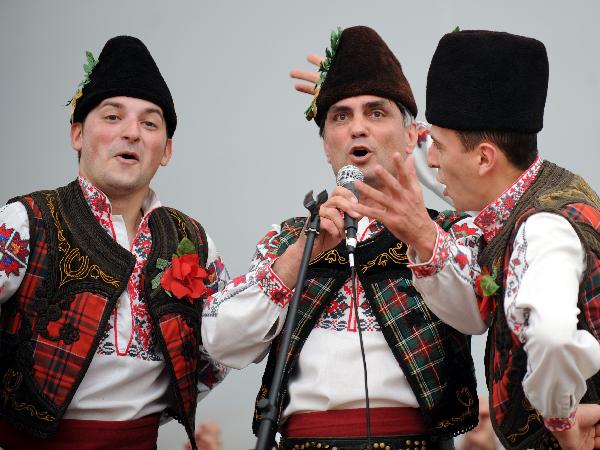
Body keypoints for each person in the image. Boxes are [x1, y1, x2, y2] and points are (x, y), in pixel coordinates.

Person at [202, 26, 478, 450]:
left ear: (411, 137)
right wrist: (300, 257)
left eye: (377, 112)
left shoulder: (449, 232)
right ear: (327, 146)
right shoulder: (287, 240)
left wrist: (421, 233)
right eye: (341, 117)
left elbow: (476, 312)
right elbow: (221, 342)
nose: (357, 129)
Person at [350, 30, 600, 450]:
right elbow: (475, 316)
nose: (430, 162)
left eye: (439, 147)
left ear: (484, 157)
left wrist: (561, 420)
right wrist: (421, 235)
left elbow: (554, 336)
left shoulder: (543, 226)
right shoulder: (542, 202)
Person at [0, 36, 228, 450]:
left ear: (167, 151)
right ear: (76, 134)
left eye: (149, 123)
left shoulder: (193, 241)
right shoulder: (28, 221)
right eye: (112, 116)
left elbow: (220, 350)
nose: (131, 133)